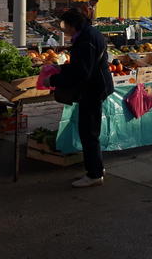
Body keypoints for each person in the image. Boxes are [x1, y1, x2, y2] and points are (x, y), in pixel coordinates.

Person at [49, 9, 113, 188]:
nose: (63, 29)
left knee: (88, 132)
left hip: (93, 89)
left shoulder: (85, 40)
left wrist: (53, 80)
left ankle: (94, 175)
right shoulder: (90, 33)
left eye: (64, 25)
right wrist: (63, 69)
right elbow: (83, 65)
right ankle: (97, 167)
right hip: (97, 85)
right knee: (91, 130)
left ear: (72, 25)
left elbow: (82, 72)